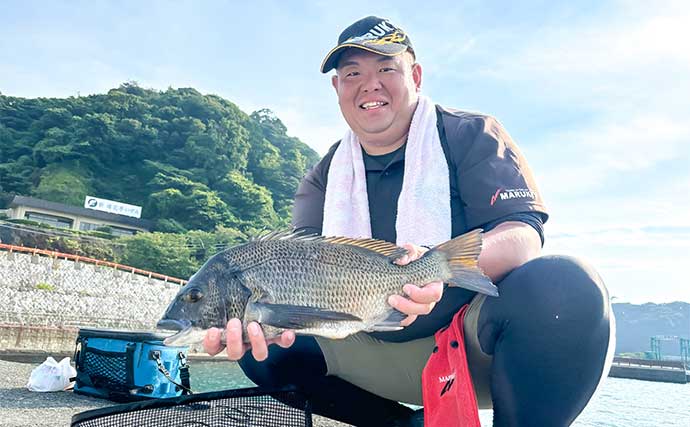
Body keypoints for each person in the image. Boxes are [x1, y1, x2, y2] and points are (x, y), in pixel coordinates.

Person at [203, 16, 614, 427]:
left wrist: (436, 270)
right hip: (367, 346)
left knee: (566, 286)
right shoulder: (324, 175)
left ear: (414, 75)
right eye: (353, 73)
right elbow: (300, 268)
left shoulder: (471, 133)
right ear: (337, 88)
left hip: (472, 346)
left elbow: (522, 234)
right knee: (266, 351)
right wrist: (268, 324)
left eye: (386, 69)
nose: (370, 84)